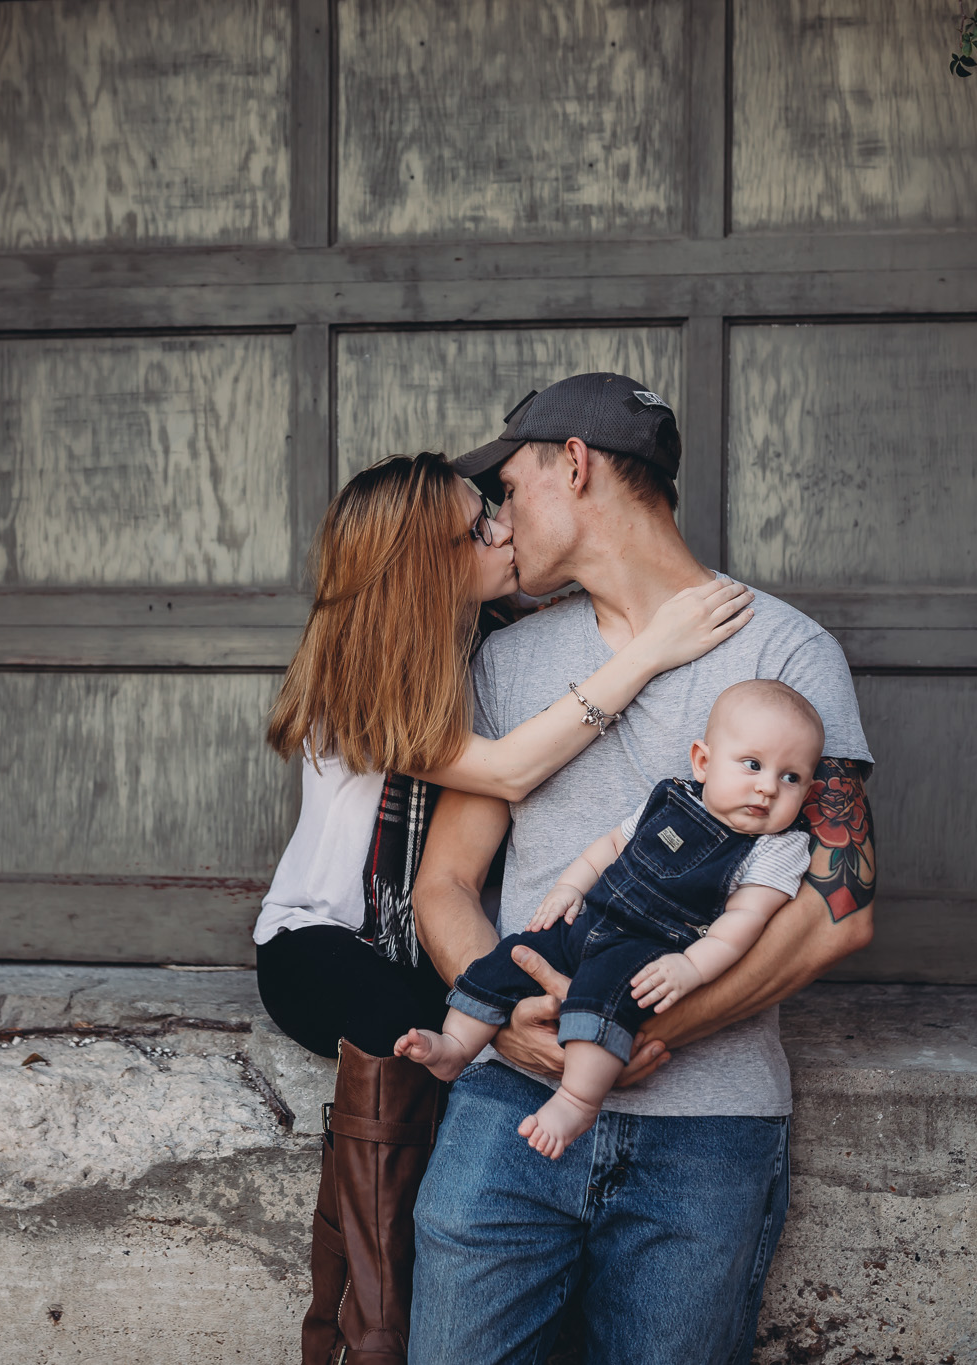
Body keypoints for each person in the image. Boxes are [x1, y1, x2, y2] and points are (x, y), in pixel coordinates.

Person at [406, 373, 879, 1365]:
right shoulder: (509, 662)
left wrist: (607, 1041)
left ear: (571, 464)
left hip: (704, 1136)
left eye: (509, 484)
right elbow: (445, 885)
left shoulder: (791, 653)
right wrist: (522, 1037)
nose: (495, 517)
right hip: (506, 1108)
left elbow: (836, 906)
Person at [256, 451, 754, 1365]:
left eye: (495, 511)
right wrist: (654, 648)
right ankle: (374, 1324)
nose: (501, 529)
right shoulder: (362, 673)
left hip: (410, 944)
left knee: (461, 1003)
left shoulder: (479, 646)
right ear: (424, 562)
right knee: (413, 1029)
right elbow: (512, 767)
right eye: (475, 527)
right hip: (320, 947)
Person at [396, 679, 825, 1160]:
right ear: (703, 762)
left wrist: (692, 968)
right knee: (505, 959)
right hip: (588, 919)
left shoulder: (776, 847)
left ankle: (577, 1100)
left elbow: (745, 920)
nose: (768, 787)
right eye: (752, 765)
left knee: (600, 999)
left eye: (791, 778)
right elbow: (608, 848)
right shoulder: (669, 798)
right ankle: (456, 1045)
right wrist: (568, 888)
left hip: (645, 947)